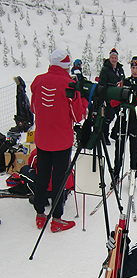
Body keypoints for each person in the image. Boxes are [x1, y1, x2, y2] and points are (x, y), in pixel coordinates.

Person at [30, 49, 87, 233]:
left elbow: (33, 108)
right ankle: (56, 218)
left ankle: (40, 214)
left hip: (42, 138)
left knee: (42, 175)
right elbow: (78, 116)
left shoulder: (38, 81)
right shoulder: (69, 83)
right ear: (66, 66)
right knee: (59, 178)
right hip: (62, 140)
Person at [110, 56, 137, 183]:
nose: (135, 71)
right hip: (123, 119)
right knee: (119, 149)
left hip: (136, 122)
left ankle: (133, 174)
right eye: (133, 68)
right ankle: (116, 173)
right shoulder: (123, 82)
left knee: (134, 150)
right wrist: (120, 98)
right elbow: (113, 102)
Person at [98, 48, 125, 145]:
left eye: (115, 58)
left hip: (118, 97)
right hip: (108, 96)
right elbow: (101, 83)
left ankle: (115, 133)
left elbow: (123, 80)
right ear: (109, 58)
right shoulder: (105, 69)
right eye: (112, 58)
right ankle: (104, 135)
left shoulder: (120, 69)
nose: (114, 59)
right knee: (108, 117)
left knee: (121, 116)